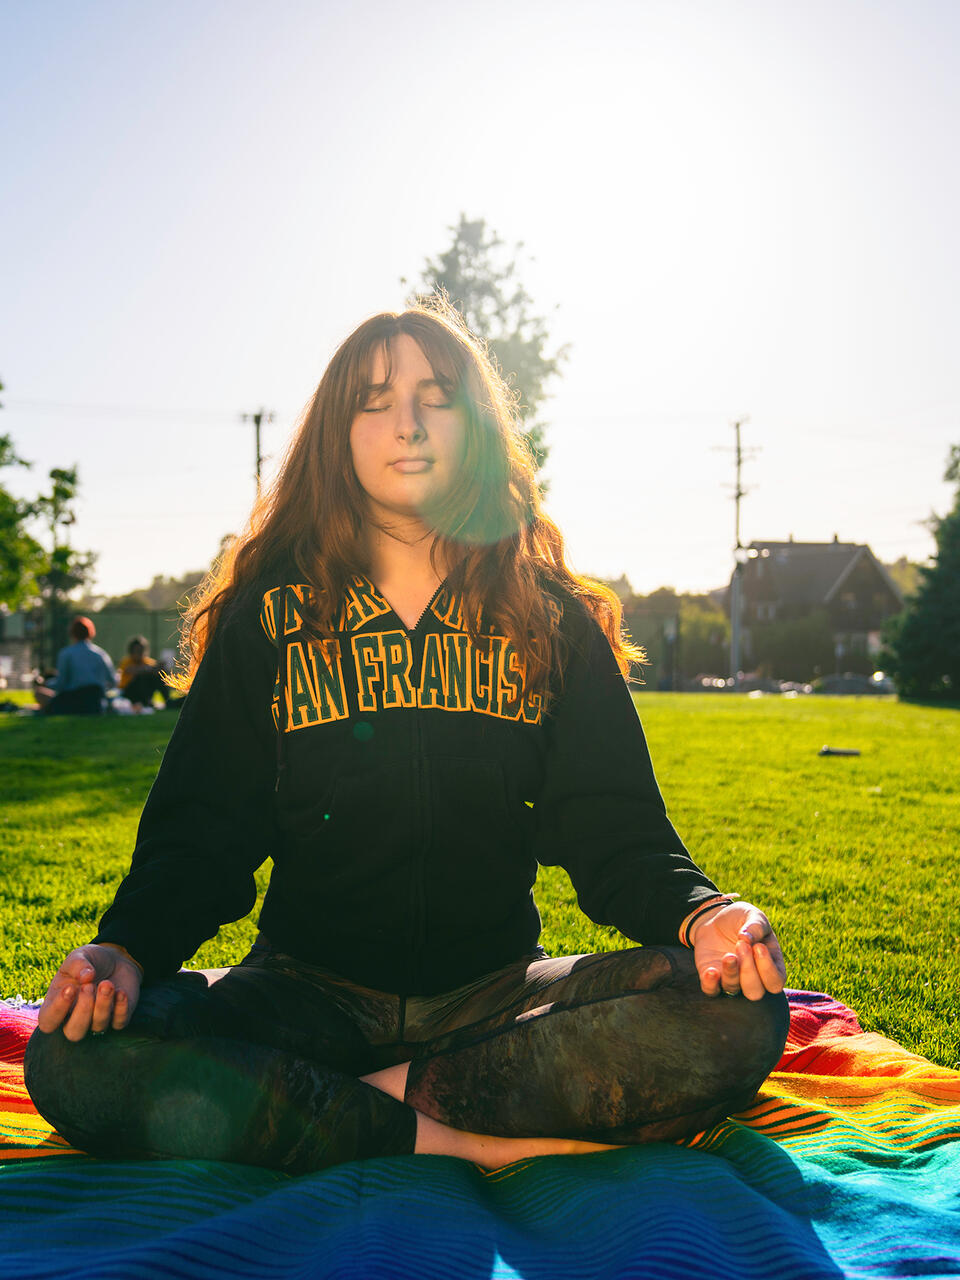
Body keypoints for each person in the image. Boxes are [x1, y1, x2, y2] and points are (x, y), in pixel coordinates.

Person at [25, 303, 789, 1174]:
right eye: (375, 400)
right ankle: (453, 1135)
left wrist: (706, 914)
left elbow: (615, 828)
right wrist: (124, 949)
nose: (409, 424)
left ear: (476, 426)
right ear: (336, 432)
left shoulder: (550, 617)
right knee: (71, 1058)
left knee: (736, 1013)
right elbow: (202, 833)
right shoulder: (270, 616)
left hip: (495, 997)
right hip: (301, 998)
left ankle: (347, 1103)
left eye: (437, 396)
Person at [35, 616, 116, 716]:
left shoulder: (66, 653)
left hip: (73, 699)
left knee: (39, 693)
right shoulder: (101, 654)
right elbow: (113, 681)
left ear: (72, 633)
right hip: (95, 703)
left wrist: (46, 684)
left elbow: (62, 683)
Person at [117, 635, 174, 711]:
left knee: (159, 674)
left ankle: (168, 701)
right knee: (142, 677)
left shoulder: (147, 661)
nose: (140, 653)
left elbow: (154, 670)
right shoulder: (126, 661)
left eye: (141, 651)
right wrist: (150, 669)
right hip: (128, 692)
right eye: (137, 651)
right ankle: (146, 702)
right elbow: (132, 670)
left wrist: (160, 668)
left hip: (144, 691)